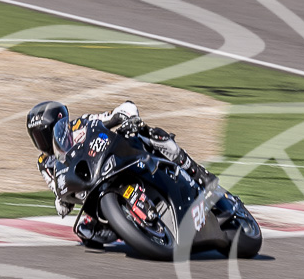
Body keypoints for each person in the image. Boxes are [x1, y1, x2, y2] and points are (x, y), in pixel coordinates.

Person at [25, 99, 211, 247]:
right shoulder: (44, 163)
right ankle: (128, 225)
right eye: (37, 137)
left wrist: (128, 117)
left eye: (44, 134)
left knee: (152, 135)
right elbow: (57, 190)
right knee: (86, 232)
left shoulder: (80, 124)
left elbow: (119, 112)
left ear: (59, 125)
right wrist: (62, 201)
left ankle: (198, 173)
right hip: (91, 190)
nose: (42, 141)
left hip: (114, 161)